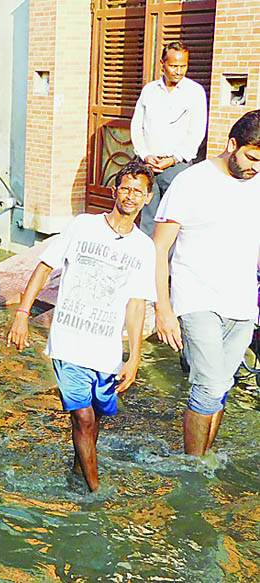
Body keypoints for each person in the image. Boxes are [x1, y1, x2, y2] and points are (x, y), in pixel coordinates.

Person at [9, 159, 157, 491]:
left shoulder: (144, 248)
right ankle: (95, 493)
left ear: (147, 198)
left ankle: (78, 474)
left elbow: (136, 304)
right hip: (69, 341)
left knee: (95, 422)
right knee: (84, 418)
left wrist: (134, 357)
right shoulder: (83, 225)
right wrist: (22, 314)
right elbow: (45, 267)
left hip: (106, 350)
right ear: (114, 190)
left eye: (139, 191)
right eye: (126, 188)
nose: (131, 196)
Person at [152, 110, 260, 457]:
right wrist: (163, 308)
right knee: (209, 386)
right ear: (232, 145)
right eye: (251, 157)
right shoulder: (191, 181)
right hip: (196, 298)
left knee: (220, 389)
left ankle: (203, 457)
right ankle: (192, 466)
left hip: (242, 303)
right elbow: (159, 246)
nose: (255, 167)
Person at [131, 41, 207, 236]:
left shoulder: (195, 92)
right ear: (162, 64)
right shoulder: (149, 90)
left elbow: (196, 132)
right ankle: (147, 262)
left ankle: (167, 264)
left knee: (172, 220)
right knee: (147, 218)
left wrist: (172, 159)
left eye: (183, 66)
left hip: (177, 167)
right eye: (173, 65)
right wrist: (146, 155)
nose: (178, 71)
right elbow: (137, 125)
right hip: (149, 165)